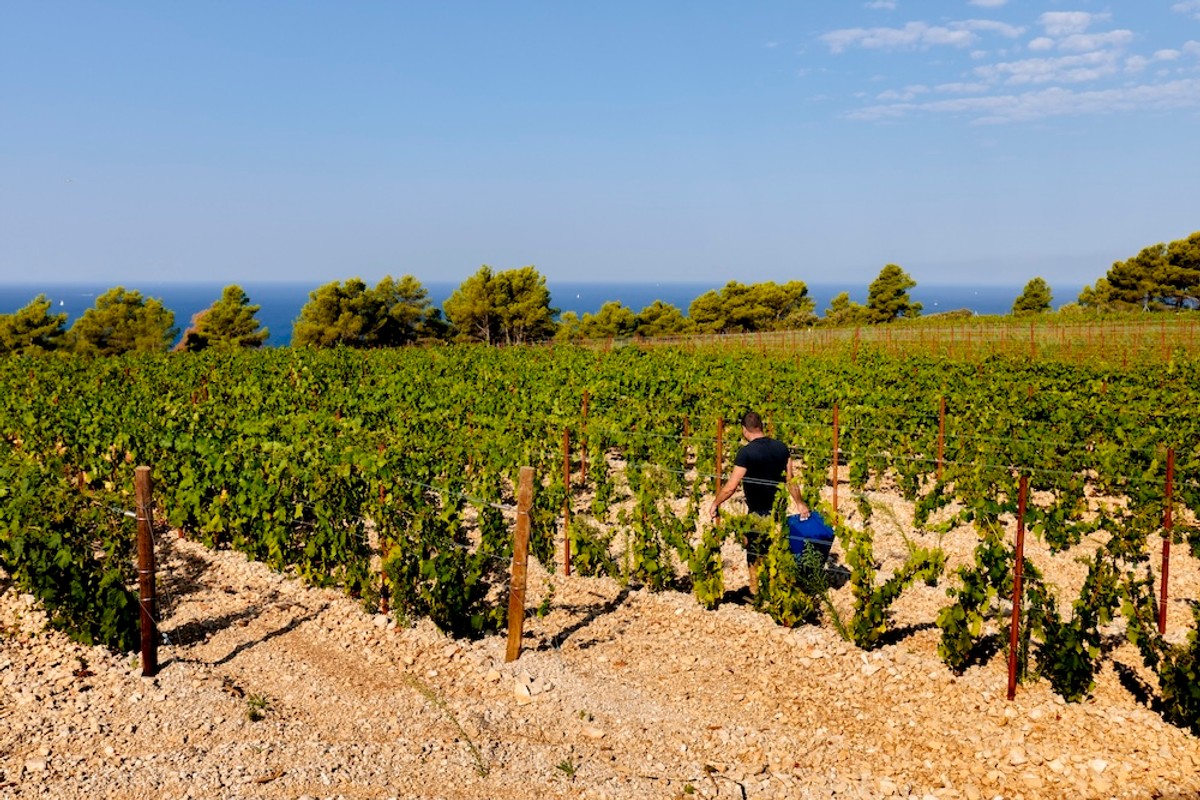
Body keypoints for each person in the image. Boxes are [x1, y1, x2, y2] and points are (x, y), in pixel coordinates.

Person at [708, 411, 809, 593]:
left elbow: (731, 487)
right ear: (761, 426)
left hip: (756, 511)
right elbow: (790, 480)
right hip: (777, 510)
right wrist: (800, 503)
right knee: (774, 547)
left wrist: (716, 503)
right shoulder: (781, 448)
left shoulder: (746, 453)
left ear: (744, 430)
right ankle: (774, 586)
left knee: (754, 549)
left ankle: (757, 591)